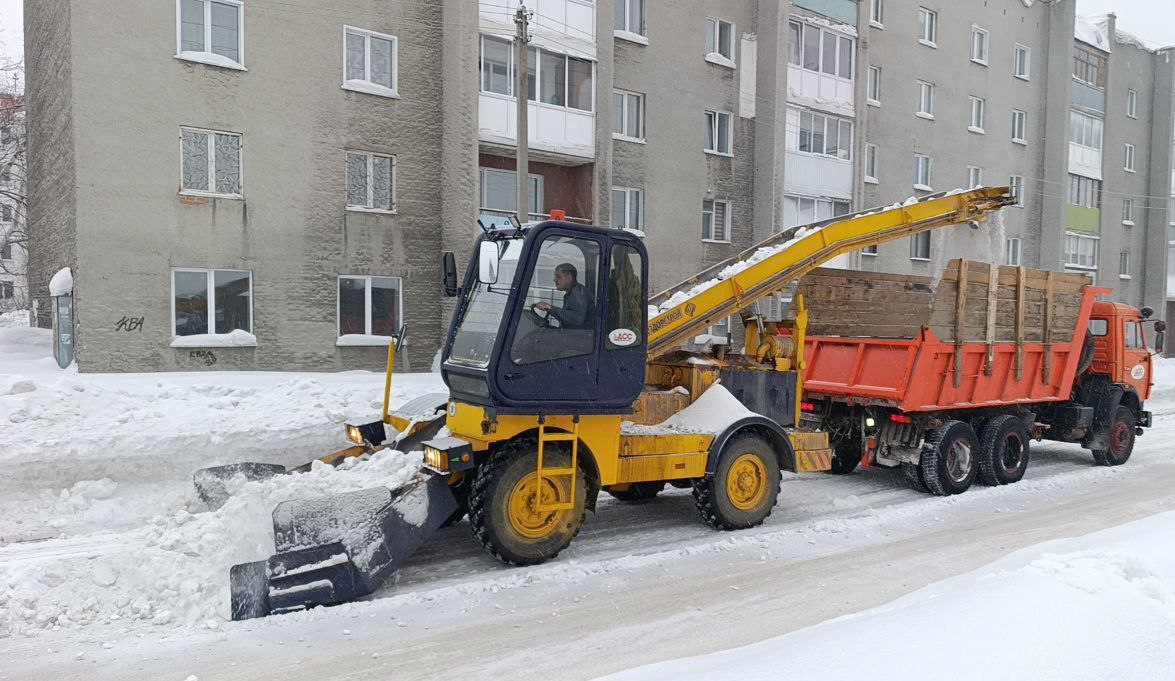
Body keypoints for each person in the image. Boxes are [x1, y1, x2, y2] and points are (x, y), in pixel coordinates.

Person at [535, 263, 595, 330]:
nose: (555, 280)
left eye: (558, 276)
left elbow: (577, 318)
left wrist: (549, 307)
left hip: (581, 336)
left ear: (569, 277)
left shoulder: (578, 293)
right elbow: (566, 318)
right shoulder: (571, 293)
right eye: (555, 276)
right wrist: (551, 310)